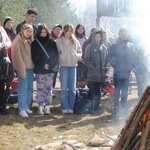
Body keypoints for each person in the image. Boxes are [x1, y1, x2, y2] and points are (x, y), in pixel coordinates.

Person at [31, 23, 59, 115]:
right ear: (38, 33)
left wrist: (50, 65)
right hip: (39, 70)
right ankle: (40, 106)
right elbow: (34, 57)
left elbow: (55, 56)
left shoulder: (52, 42)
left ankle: (47, 106)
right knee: (40, 88)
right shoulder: (35, 43)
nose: (43, 34)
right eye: (41, 32)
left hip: (50, 70)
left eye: (44, 32)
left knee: (48, 89)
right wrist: (42, 65)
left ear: (47, 32)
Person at [107, 26, 135, 116]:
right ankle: (116, 108)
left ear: (128, 34)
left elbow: (133, 58)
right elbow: (109, 56)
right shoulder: (115, 46)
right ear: (119, 35)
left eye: (126, 34)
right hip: (118, 73)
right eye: (122, 34)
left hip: (127, 73)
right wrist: (115, 64)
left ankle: (124, 107)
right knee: (117, 91)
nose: (124, 35)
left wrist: (132, 66)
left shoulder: (131, 46)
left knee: (125, 91)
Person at [56, 23, 82, 114]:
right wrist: (61, 57)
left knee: (72, 88)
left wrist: (77, 56)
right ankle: (64, 107)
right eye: (67, 30)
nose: (69, 32)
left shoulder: (75, 41)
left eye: (71, 31)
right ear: (64, 31)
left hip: (73, 66)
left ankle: (71, 107)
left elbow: (80, 51)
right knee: (64, 88)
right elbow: (56, 53)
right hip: (63, 66)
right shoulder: (58, 41)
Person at [12, 24, 34, 117]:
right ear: (22, 30)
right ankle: (21, 109)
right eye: (27, 31)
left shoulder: (30, 40)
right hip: (23, 68)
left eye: (30, 31)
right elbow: (17, 57)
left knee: (29, 88)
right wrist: (21, 70)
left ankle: (26, 106)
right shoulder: (17, 40)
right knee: (23, 89)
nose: (29, 33)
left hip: (30, 68)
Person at [84, 28, 108, 114]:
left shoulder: (104, 48)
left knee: (98, 92)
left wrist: (106, 68)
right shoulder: (89, 47)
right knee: (91, 92)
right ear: (93, 37)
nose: (97, 38)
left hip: (101, 76)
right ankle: (90, 108)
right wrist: (92, 68)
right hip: (92, 75)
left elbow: (106, 61)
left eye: (99, 37)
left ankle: (97, 107)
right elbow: (86, 60)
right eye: (96, 37)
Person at [0, 25, 12, 115]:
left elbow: (9, 42)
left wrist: (4, 45)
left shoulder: (1, 28)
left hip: (1, 59)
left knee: (1, 83)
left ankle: (1, 106)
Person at [51, 24, 62, 88]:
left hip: (59, 61)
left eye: (60, 30)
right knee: (51, 76)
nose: (58, 31)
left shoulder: (61, 38)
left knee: (55, 76)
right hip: (51, 61)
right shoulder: (49, 37)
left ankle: (53, 89)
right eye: (57, 29)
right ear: (53, 29)